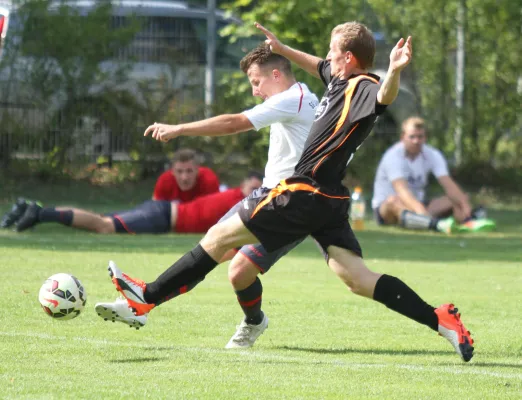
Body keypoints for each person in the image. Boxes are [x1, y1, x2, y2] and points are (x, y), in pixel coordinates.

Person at [97, 22, 475, 363]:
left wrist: (391, 70)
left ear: (348, 57)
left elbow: (384, 98)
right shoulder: (337, 80)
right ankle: (439, 319)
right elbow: (317, 65)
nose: (326, 57)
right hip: (328, 200)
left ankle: (145, 299)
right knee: (358, 278)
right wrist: (283, 46)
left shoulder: (364, 85)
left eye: (332, 51)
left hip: (302, 191)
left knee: (218, 237)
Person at [95, 42, 319, 344]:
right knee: (237, 269)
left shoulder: (293, 99)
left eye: (256, 82)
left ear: (276, 74)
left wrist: (178, 129)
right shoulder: (302, 97)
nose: (255, 91)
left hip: (285, 201)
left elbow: (233, 123)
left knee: (216, 241)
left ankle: (144, 298)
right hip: (280, 199)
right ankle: (251, 322)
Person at [1, 172, 263, 234]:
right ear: (244, 184)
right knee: (104, 225)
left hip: (161, 213)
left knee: (99, 218)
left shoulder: (240, 198)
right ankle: (40, 213)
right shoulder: (239, 198)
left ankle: (28, 207)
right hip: (162, 216)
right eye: (254, 185)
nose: (257, 190)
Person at [372, 116, 496, 233]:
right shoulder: (393, 156)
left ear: (425, 137)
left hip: (419, 206)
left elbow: (448, 183)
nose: (416, 141)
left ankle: (468, 221)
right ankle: (433, 224)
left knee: (455, 199)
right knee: (393, 201)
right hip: (389, 208)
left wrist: (464, 204)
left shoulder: (432, 154)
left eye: (420, 137)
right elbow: (402, 191)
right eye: (412, 137)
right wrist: (421, 213)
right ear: (403, 137)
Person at [153, 148, 220, 202]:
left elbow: (216, 212)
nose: (184, 178)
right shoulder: (164, 181)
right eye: (179, 171)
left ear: (197, 170)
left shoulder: (208, 180)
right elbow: (155, 211)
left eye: (189, 171)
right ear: (172, 171)